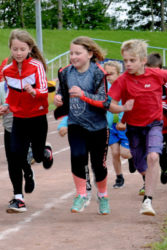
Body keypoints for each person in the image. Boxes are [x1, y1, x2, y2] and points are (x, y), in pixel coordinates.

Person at [108, 39, 167, 216]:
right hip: (134, 128)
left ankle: (148, 201)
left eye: (132, 60)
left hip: (154, 124)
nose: (128, 64)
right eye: (125, 61)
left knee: (154, 156)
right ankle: (146, 177)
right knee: (141, 164)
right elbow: (110, 104)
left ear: (143, 60)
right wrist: (123, 109)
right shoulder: (122, 81)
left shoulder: (156, 74)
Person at [54, 37, 111, 215]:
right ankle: (81, 194)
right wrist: (58, 98)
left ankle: (103, 196)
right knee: (77, 155)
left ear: (90, 54)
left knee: (98, 165)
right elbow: (61, 92)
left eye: (78, 53)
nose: (73, 56)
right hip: (75, 123)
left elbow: (104, 100)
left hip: (98, 126)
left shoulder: (98, 73)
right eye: (71, 53)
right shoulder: (65, 72)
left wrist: (83, 94)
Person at [1, 29, 53, 213]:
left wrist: (34, 92)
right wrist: (6, 106)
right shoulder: (8, 70)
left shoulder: (37, 66)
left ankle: (45, 151)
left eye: (22, 49)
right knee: (15, 156)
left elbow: (45, 90)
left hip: (37, 117)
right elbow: (10, 93)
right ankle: (18, 198)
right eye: (15, 49)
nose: (18, 53)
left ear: (29, 48)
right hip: (19, 119)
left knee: (37, 156)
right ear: (11, 49)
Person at [0, 79, 35, 195]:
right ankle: (18, 195)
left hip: (25, 127)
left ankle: (28, 172)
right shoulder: (0, 88)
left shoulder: (27, 85)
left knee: (21, 158)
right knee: (12, 162)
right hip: (9, 129)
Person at [146, 52, 167, 186]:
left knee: (162, 151)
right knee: (146, 152)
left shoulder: (165, 84)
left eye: (154, 70)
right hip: (145, 124)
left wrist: (159, 105)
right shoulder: (142, 83)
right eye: (148, 69)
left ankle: (165, 168)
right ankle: (145, 182)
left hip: (164, 125)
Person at [103, 60, 133, 189]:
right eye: (106, 74)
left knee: (125, 153)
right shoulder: (104, 88)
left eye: (111, 73)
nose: (108, 76)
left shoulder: (125, 86)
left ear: (119, 74)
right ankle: (119, 177)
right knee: (114, 153)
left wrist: (126, 121)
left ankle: (133, 157)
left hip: (124, 124)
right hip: (111, 126)